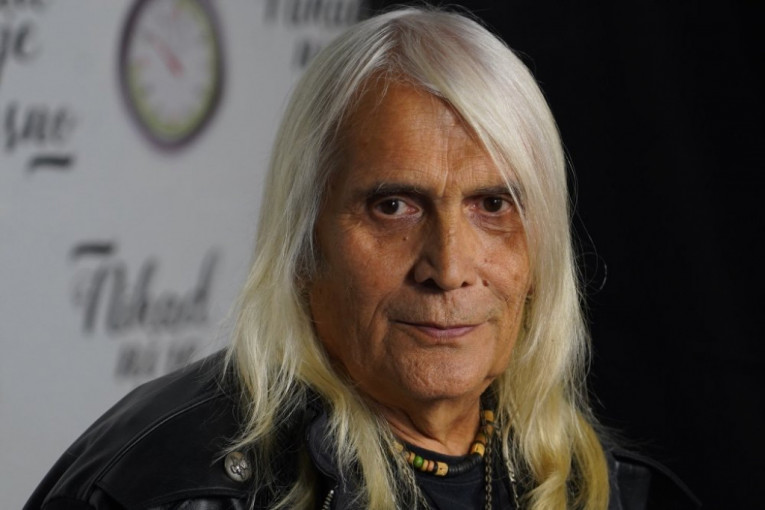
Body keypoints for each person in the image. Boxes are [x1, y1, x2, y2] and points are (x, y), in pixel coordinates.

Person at [25, 7, 699, 510]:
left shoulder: (605, 490)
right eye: (393, 206)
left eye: (493, 205)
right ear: (303, 238)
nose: (448, 268)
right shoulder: (168, 489)